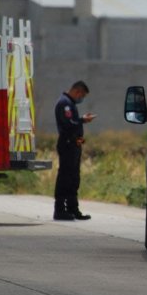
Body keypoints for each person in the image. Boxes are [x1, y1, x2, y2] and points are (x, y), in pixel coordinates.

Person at [53, 81, 96, 220]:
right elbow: (70, 124)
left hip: (74, 144)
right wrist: (83, 120)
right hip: (67, 144)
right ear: (77, 92)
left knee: (74, 178)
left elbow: (77, 131)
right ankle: (60, 210)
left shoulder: (70, 104)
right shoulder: (65, 104)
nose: (81, 98)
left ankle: (73, 209)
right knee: (65, 178)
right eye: (82, 95)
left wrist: (81, 142)